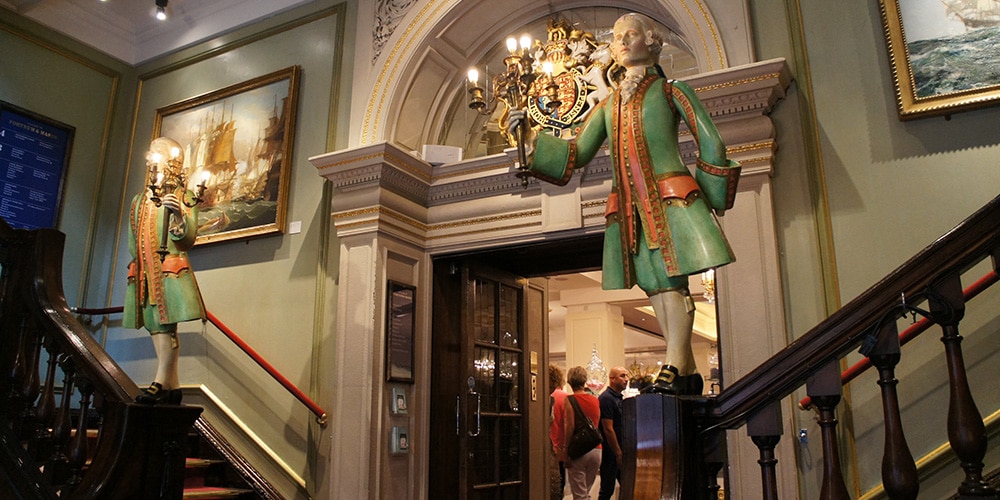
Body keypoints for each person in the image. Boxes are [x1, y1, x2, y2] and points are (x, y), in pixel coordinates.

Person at [509, 13, 739, 395]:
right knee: (654, 283)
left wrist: (712, 201)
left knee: (671, 279)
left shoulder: (672, 91)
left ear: (652, 42)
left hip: (674, 199)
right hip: (630, 209)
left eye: (630, 35)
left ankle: (673, 363)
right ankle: (684, 368)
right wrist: (531, 138)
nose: (622, 42)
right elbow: (576, 152)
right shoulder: (608, 105)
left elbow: (711, 142)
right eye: (616, 38)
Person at [124, 137, 206, 405]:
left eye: (157, 154)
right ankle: (173, 385)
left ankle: (159, 381)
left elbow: (187, 238)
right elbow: (132, 241)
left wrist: (180, 215)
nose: (152, 159)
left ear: (173, 162)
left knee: (166, 324)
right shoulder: (139, 200)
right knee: (153, 324)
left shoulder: (184, 197)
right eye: (151, 154)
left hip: (169, 271)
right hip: (144, 272)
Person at [560, 366, 602, 499]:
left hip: (579, 450)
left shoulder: (569, 400)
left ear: (569, 382)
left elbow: (570, 425)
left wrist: (566, 449)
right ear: (584, 381)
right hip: (596, 449)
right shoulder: (595, 400)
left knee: (579, 495)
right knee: (586, 492)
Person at [598, 367, 628, 500]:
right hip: (610, 451)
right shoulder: (607, 399)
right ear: (612, 379)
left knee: (626, 485)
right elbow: (608, 429)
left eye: (626, 376)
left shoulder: (618, 398)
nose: (626, 379)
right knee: (607, 489)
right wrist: (618, 453)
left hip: (619, 449)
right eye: (622, 376)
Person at [549, 364, 569, 499]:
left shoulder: (547, 398)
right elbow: (568, 424)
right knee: (558, 484)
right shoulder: (565, 397)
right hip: (560, 446)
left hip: (549, 445)